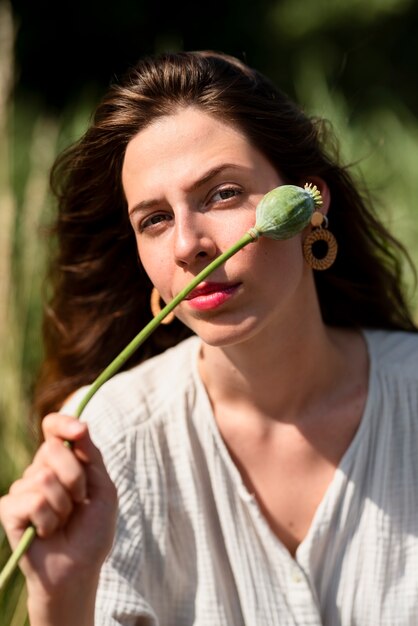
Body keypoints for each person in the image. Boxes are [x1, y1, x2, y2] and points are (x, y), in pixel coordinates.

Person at [1, 50, 418, 626]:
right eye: (154, 219)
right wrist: (62, 597)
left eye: (221, 194)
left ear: (310, 204)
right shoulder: (107, 442)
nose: (187, 245)